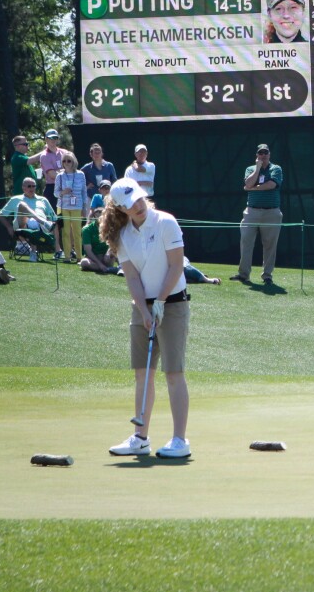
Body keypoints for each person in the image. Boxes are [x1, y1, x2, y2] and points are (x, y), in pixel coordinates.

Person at [102, 177, 191, 459]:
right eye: (130, 204)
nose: (138, 206)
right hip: (143, 306)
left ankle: (180, 440)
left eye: (139, 199)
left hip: (173, 304)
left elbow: (176, 266)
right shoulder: (124, 236)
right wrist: (143, 310)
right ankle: (140, 438)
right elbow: (132, 277)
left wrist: (161, 302)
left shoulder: (166, 222)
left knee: (173, 373)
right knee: (143, 373)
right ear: (121, 209)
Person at [231, 143, 283, 285]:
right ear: (257, 155)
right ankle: (244, 275)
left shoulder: (276, 168)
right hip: (252, 212)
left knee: (269, 245)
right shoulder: (251, 169)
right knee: (246, 242)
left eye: (265, 153)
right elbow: (248, 183)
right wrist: (258, 168)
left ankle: (267, 276)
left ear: (269, 154)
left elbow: (272, 185)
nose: (263, 155)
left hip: (271, 212)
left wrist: (252, 189)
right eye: (261, 153)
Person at [0, 178, 63, 260]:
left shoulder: (43, 200)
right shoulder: (15, 199)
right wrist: (9, 227)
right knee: (22, 205)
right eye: (29, 186)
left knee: (51, 223)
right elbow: (0, 215)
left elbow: (53, 218)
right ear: (23, 187)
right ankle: (42, 221)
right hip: (22, 226)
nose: (32, 188)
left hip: (41, 228)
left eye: (34, 186)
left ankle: (57, 251)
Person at [54, 152, 88, 262]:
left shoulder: (80, 174)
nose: (66, 163)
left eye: (69, 160)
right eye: (64, 161)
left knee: (77, 232)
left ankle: (79, 257)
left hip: (77, 206)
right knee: (65, 232)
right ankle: (67, 256)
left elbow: (84, 192)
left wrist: (84, 208)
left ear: (73, 162)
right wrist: (63, 192)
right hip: (63, 207)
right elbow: (55, 193)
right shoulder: (59, 176)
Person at [28, 130, 65, 219]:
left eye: (55, 138)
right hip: (52, 189)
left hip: (65, 187)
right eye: (50, 138)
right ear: (46, 139)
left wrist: (59, 171)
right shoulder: (44, 156)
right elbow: (53, 175)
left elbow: (72, 169)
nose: (53, 140)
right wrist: (64, 171)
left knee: (66, 218)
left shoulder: (64, 153)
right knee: (53, 219)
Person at [78, 208, 118, 274]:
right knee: (84, 262)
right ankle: (107, 268)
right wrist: (100, 264)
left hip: (106, 257)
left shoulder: (111, 228)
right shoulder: (87, 229)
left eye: (102, 215)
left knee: (111, 254)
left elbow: (113, 244)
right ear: (94, 216)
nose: (100, 217)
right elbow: (88, 251)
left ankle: (114, 267)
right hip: (93, 259)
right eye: (97, 215)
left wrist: (108, 252)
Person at [80, 142, 118, 210]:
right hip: (91, 198)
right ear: (91, 154)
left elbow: (114, 181)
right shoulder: (87, 167)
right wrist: (86, 186)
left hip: (106, 198)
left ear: (102, 153)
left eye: (99, 152)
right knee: (91, 218)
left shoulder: (109, 166)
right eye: (95, 153)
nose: (97, 154)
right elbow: (78, 176)